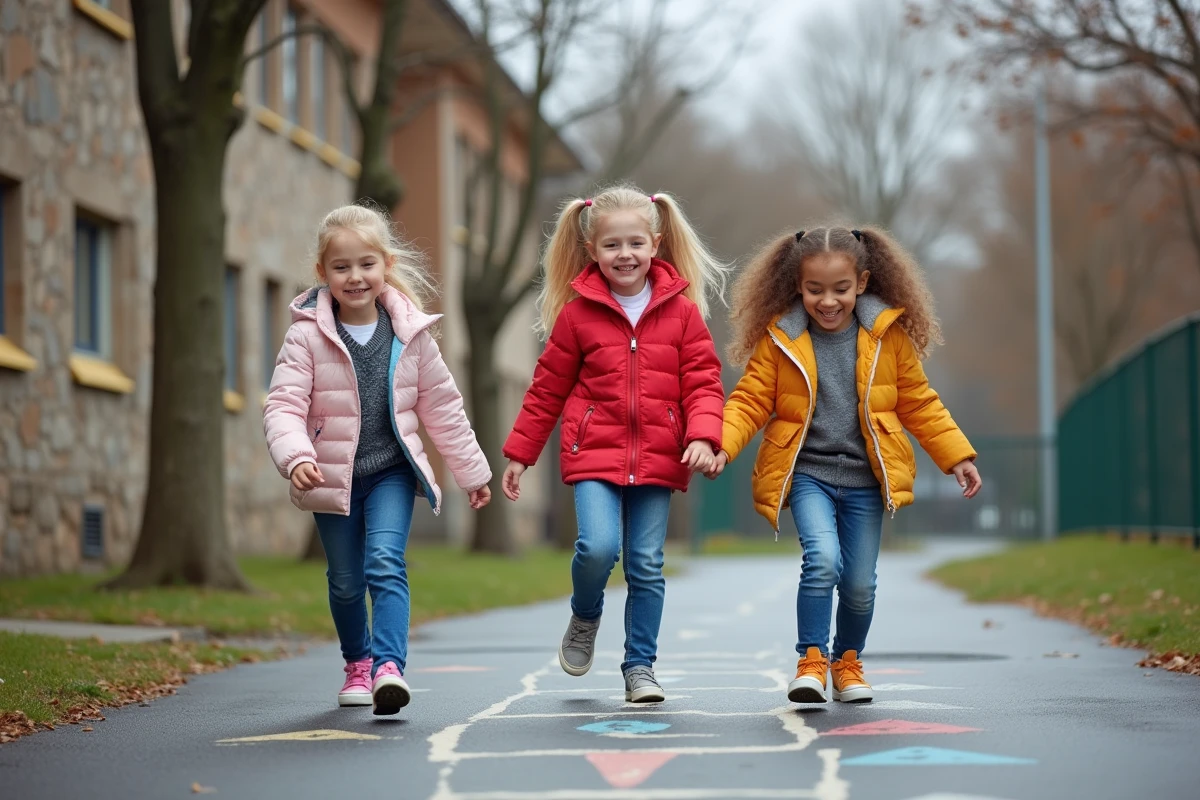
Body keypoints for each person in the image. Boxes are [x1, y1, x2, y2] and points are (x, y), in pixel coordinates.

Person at [709, 226, 981, 704]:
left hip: (865, 481)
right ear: (798, 286)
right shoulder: (782, 339)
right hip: (809, 475)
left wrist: (956, 455)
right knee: (822, 561)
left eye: (840, 289)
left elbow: (919, 402)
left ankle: (847, 663)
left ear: (862, 282)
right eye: (815, 289)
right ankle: (811, 662)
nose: (828, 301)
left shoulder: (888, 337)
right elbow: (749, 400)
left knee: (859, 585)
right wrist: (721, 446)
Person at [501, 185, 727, 703]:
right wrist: (520, 454)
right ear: (592, 250)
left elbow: (703, 382)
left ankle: (640, 667)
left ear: (655, 244)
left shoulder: (683, 314)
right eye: (612, 245)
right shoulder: (577, 316)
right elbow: (546, 389)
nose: (625, 255)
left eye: (635, 243)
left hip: (660, 455)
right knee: (598, 547)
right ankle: (585, 614)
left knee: (645, 563)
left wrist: (703, 436)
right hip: (594, 454)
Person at [264, 203, 492, 715]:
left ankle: (390, 668)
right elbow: (283, 404)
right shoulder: (307, 335)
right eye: (341, 267)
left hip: (391, 472)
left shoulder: (412, 335)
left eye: (366, 264)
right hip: (331, 476)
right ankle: (358, 664)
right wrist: (296, 457)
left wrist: (471, 471)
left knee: (385, 562)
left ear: (386, 264)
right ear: (322, 273)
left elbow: (444, 408)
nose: (355, 277)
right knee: (346, 581)